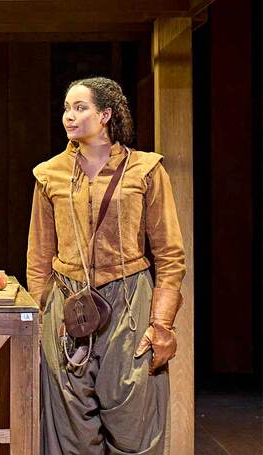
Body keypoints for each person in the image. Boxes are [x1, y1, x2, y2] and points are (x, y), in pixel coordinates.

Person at [26, 77, 186, 454]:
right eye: (66, 108)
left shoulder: (146, 170)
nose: (69, 116)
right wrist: (41, 316)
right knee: (70, 427)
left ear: (106, 114)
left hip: (130, 302)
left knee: (136, 424)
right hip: (68, 304)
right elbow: (38, 257)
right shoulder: (49, 175)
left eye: (80, 107)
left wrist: (161, 323)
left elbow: (169, 253)